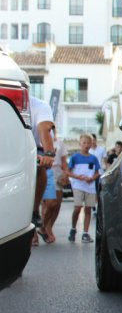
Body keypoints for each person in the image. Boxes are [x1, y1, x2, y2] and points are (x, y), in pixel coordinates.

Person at [66, 133, 101, 243]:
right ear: (80, 143)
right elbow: (68, 171)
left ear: (91, 144)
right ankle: (73, 228)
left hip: (90, 187)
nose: (86, 145)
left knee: (88, 209)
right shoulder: (75, 157)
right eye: (84, 143)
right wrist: (77, 177)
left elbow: (97, 172)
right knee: (77, 207)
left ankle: (85, 233)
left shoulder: (93, 158)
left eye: (88, 143)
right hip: (78, 185)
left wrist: (92, 178)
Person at [29, 96, 55, 229]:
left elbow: (44, 128)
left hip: (29, 150)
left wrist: (49, 153)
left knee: (40, 167)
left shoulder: (39, 106)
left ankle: (34, 210)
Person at [40, 125, 68, 243]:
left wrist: (65, 174)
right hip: (43, 171)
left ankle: (48, 228)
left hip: (57, 173)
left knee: (56, 205)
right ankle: (38, 231)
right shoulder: (39, 143)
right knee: (47, 204)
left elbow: (64, 162)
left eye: (51, 129)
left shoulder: (60, 143)